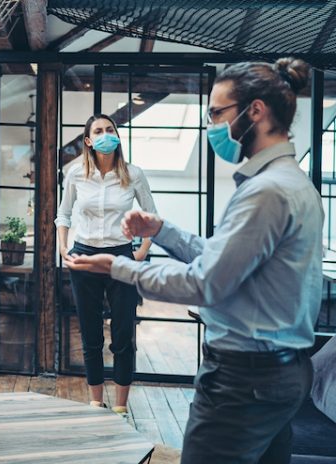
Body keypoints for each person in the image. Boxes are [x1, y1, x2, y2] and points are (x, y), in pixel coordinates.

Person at [65, 58, 322, 464]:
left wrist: (117, 267)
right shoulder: (292, 181)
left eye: (216, 113)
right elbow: (226, 259)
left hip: (244, 380)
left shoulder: (265, 192)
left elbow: (206, 282)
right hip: (279, 374)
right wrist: (162, 230)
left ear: (255, 111)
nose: (212, 127)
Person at [55, 114, 157, 416]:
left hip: (121, 257)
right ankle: (96, 402)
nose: (105, 134)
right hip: (84, 256)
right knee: (90, 334)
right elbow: (64, 214)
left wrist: (140, 253)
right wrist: (63, 247)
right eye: (98, 131)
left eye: (109, 129)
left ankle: (121, 406)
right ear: (88, 141)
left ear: (117, 135)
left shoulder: (133, 174)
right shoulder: (75, 174)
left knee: (123, 333)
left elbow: (152, 218)